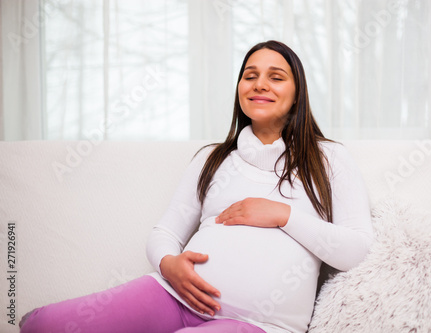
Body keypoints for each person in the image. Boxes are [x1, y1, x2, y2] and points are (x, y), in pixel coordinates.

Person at [20, 40, 373, 333]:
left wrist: (282, 214)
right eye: (250, 76)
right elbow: (165, 231)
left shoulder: (327, 159)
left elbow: (357, 249)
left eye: (275, 77)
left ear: (297, 95)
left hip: (257, 323)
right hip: (174, 295)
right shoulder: (214, 158)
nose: (259, 84)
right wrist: (168, 264)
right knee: (44, 326)